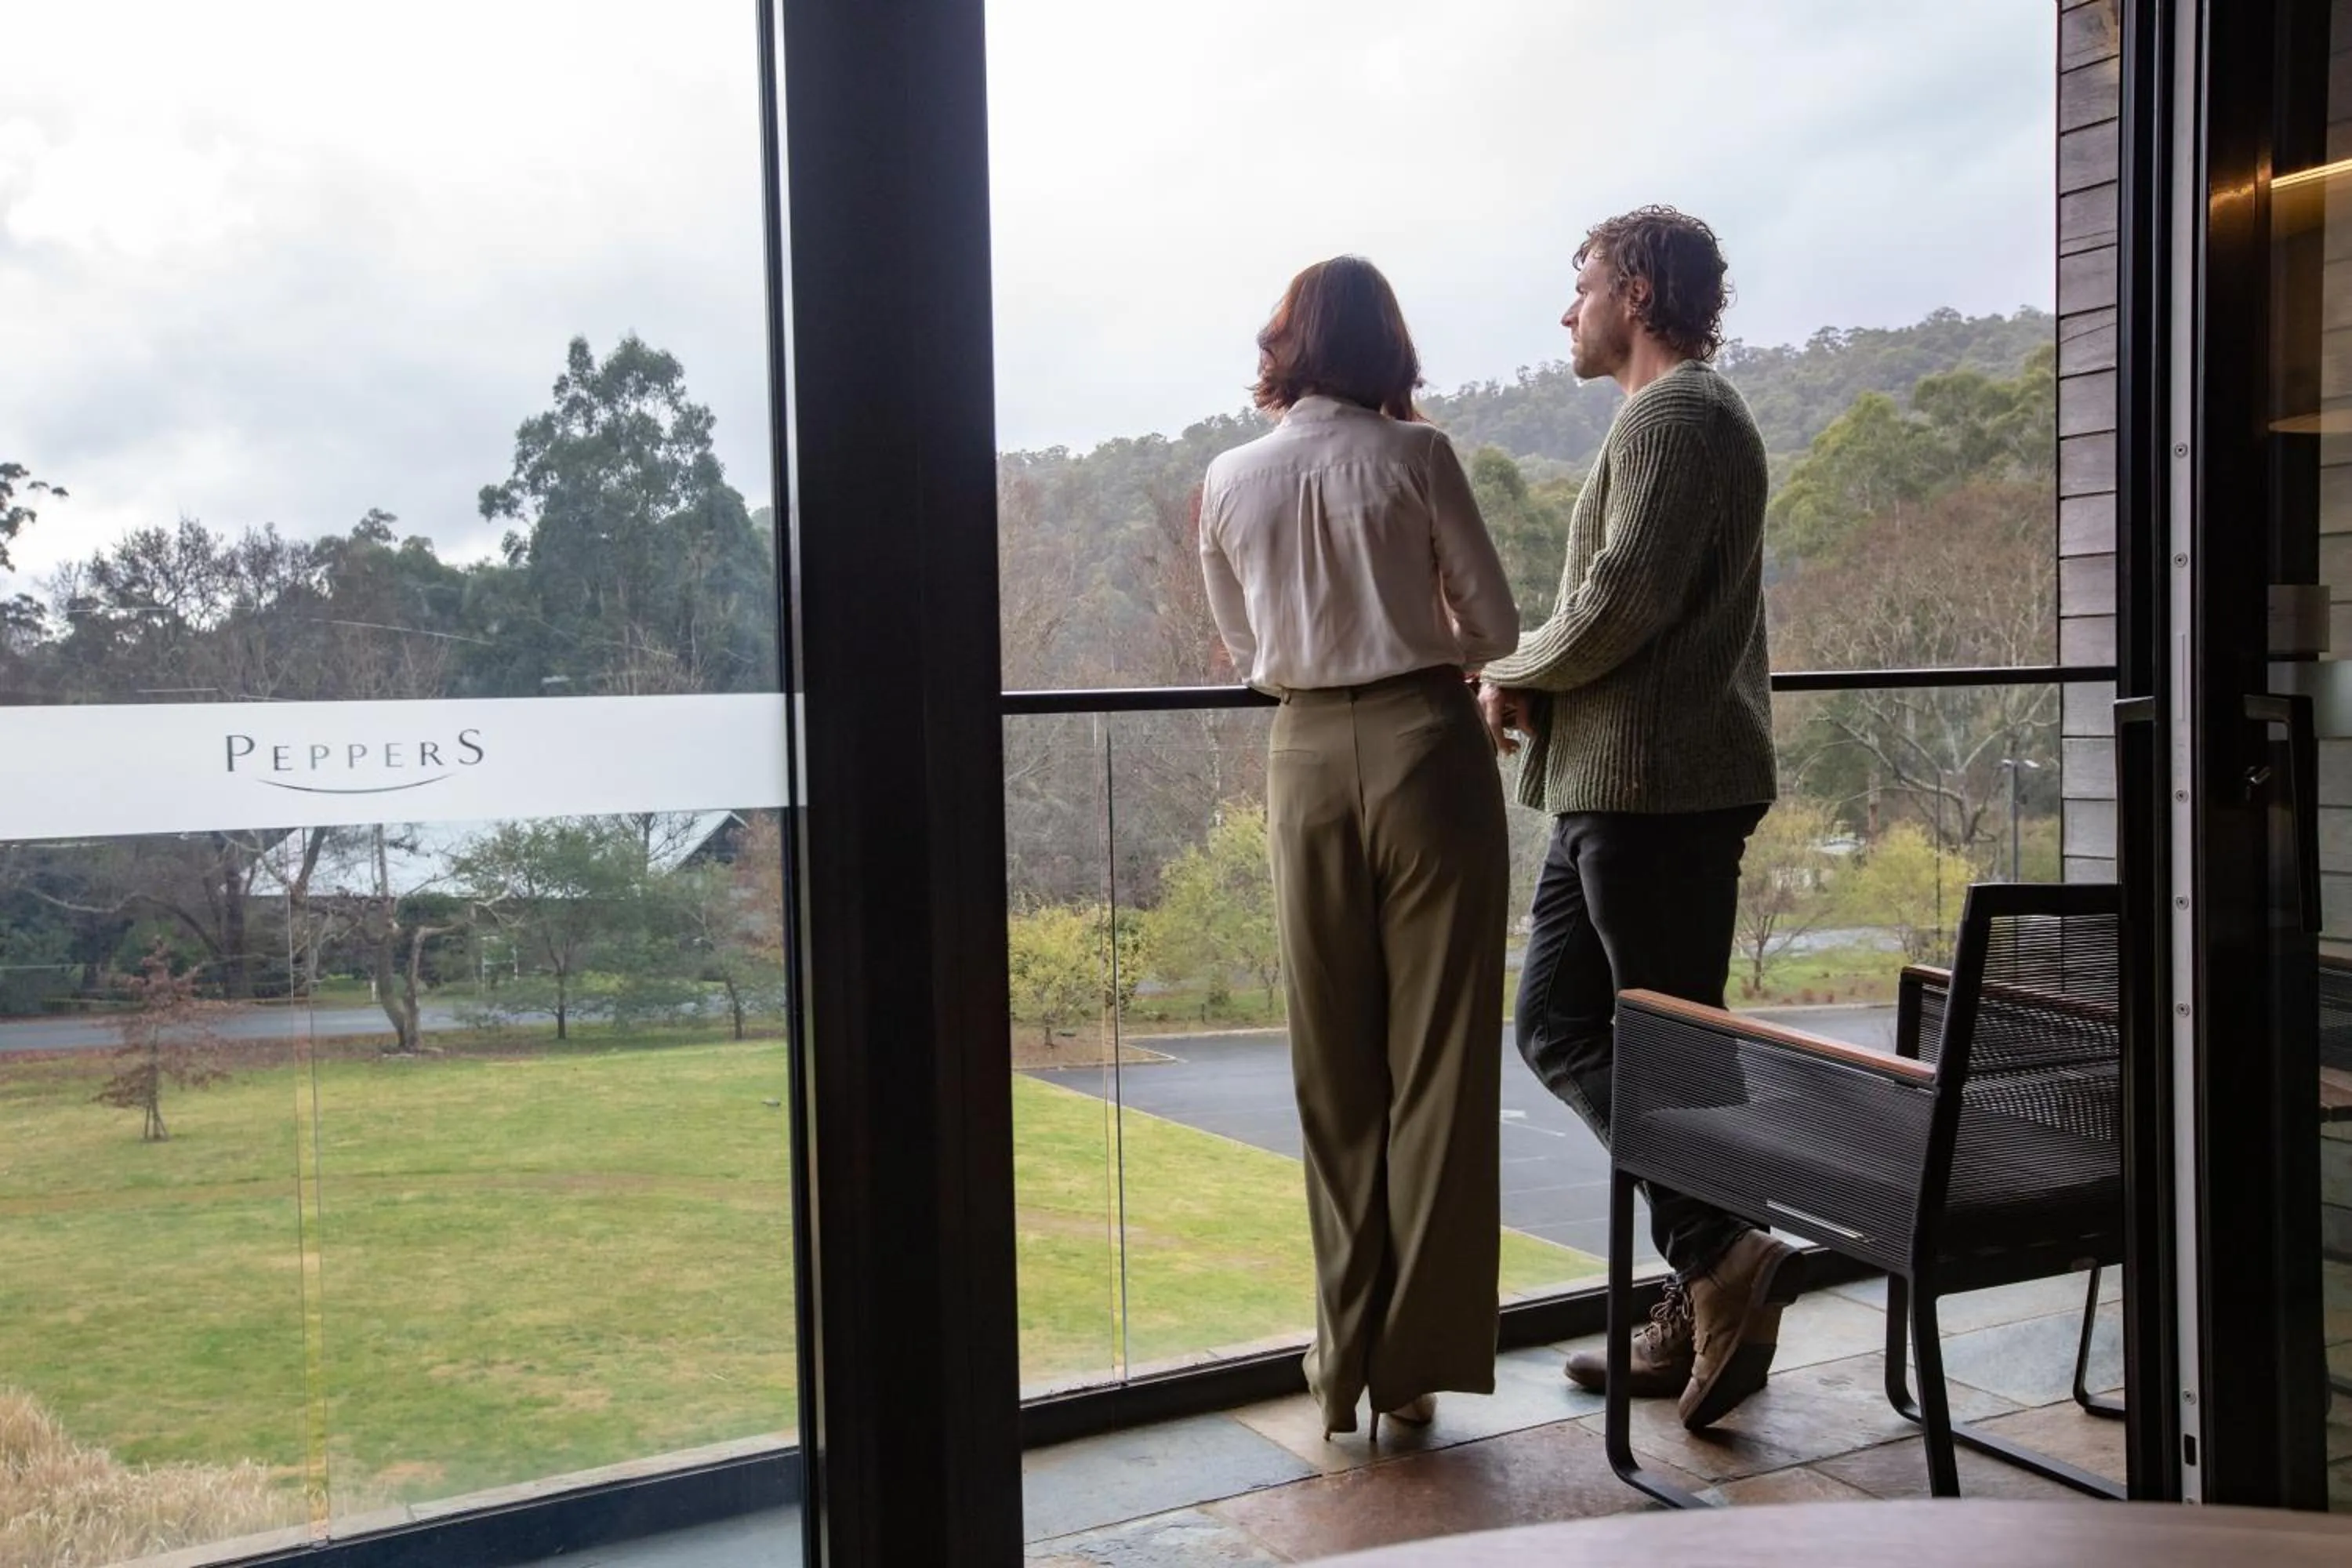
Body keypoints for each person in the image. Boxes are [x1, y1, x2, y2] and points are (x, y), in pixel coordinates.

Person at [1477, 208, 1790, 1432]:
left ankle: (1714, 1263)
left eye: (1584, 284)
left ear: (1639, 292)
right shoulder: (1670, 418)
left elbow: (1620, 603)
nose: (1568, 311)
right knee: (1565, 1024)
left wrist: (1512, 671)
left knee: (1659, 1050)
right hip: (1619, 787)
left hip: (1656, 792)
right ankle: (1710, 1268)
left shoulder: (1682, 417)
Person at [1200, 256, 1519, 1442]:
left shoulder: (1228, 478)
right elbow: (1494, 627)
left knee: (1333, 1070)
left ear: (1285, 345)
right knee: (1436, 1064)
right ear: (1387, 345)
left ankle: (1337, 1363)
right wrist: (1413, 623)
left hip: (1303, 761)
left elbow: (1244, 641)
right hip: (1428, 744)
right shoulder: (1416, 457)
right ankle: (1413, 1364)